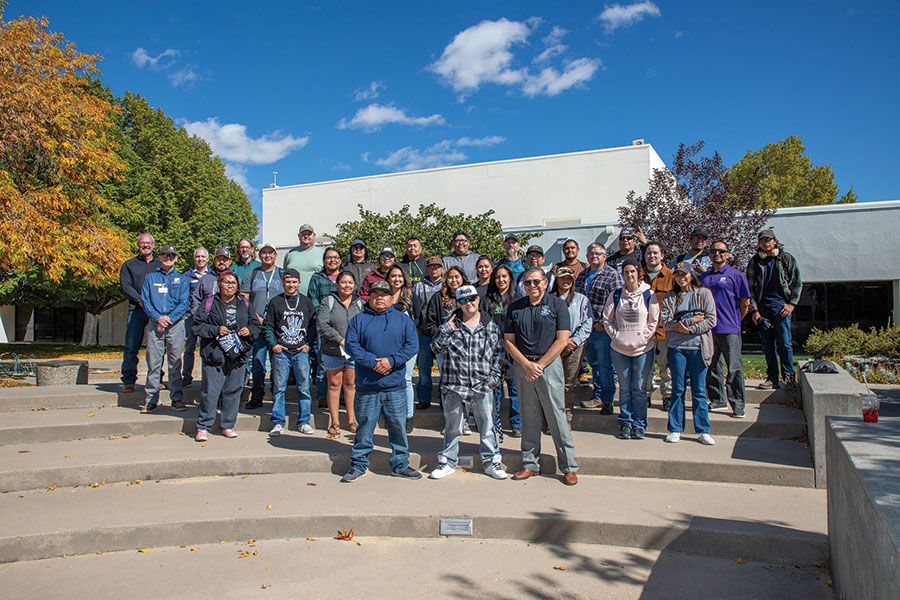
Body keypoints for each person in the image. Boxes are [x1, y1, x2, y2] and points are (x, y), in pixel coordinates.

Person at [505, 268, 578, 485]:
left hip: (549, 365)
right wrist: (527, 365)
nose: (532, 286)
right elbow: (509, 341)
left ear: (546, 283)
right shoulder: (515, 307)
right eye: (527, 283)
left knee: (556, 416)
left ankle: (568, 466)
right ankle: (530, 464)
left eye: (536, 282)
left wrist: (540, 365)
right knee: (529, 417)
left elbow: (563, 340)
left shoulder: (557, 305)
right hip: (523, 366)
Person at [341, 280, 420, 482]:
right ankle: (358, 465)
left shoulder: (403, 320)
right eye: (375, 293)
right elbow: (352, 345)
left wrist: (391, 361)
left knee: (398, 427)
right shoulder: (359, 320)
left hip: (395, 386)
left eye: (384, 294)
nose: (379, 297)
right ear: (369, 297)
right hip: (368, 385)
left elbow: (412, 346)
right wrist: (372, 363)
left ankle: (400, 464)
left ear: (391, 297)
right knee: (365, 427)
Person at [429, 285, 508, 480]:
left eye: (472, 298)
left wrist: (493, 380)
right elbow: (435, 349)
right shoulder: (450, 325)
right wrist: (447, 329)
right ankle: (447, 461)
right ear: (457, 303)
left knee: (487, 427)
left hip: (482, 385)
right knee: (453, 427)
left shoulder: (491, 326)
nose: (468, 303)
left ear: (478, 299)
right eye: (463, 300)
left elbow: (499, 354)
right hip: (455, 386)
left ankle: (491, 461)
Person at [192, 270, 259, 441]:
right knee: (211, 392)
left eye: (233, 283)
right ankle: (203, 425)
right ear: (219, 284)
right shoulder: (209, 303)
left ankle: (227, 424)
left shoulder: (244, 303)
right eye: (227, 282)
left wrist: (249, 330)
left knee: (233, 391)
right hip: (214, 355)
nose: (230, 286)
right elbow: (197, 326)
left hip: (237, 355)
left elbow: (256, 326)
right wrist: (215, 330)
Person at [660, 263, 717, 445]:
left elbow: (711, 320)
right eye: (677, 275)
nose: (681, 278)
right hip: (677, 348)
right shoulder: (671, 297)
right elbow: (667, 322)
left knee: (699, 390)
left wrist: (689, 330)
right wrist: (690, 320)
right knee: (678, 389)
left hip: (698, 348)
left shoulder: (704, 293)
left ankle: (703, 430)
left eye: (684, 274)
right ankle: (675, 428)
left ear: (691, 275)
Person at [602, 258, 660, 440]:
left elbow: (653, 320)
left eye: (632, 271)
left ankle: (639, 424)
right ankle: (625, 422)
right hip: (619, 349)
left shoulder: (649, 294)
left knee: (640, 389)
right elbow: (607, 319)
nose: (629, 275)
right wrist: (617, 336)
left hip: (643, 349)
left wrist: (643, 338)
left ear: (638, 272)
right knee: (625, 388)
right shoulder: (616, 295)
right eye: (626, 272)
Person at [699, 241, 752, 417]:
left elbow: (745, 303)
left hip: (729, 329)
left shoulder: (736, 275)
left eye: (721, 251)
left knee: (734, 368)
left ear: (728, 254)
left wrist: (736, 320)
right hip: (708, 330)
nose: (717, 254)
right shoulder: (703, 278)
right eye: (713, 251)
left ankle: (738, 404)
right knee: (712, 367)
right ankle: (717, 400)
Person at [746, 229, 802, 391]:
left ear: (775, 241)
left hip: (782, 307)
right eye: (762, 240)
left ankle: (789, 378)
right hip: (763, 308)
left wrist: (791, 303)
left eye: (769, 240)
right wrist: (754, 310)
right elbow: (750, 289)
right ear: (759, 243)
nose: (766, 243)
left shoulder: (785, 258)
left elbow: (797, 282)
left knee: (784, 343)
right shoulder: (755, 262)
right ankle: (772, 378)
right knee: (767, 345)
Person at [263, 269, 316, 436]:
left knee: (304, 387)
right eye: (288, 282)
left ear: (299, 283)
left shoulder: (306, 302)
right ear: (283, 282)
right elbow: (268, 326)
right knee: (279, 388)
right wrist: (273, 345)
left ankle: (304, 421)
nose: (291, 285)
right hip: (282, 351)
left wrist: (308, 344)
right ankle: (278, 422)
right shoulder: (276, 302)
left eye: (294, 282)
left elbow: (313, 325)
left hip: (301, 351)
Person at [140, 245, 190, 413]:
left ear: (176, 258)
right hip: (155, 324)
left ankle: (176, 398)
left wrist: (168, 320)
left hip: (175, 325)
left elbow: (184, 303)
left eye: (172, 255)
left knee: (175, 363)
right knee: (153, 362)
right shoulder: (150, 278)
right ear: (159, 257)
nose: (168, 257)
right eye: (165, 255)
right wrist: (158, 318)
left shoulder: (182, 279)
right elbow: (146, 301)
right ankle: (151, 399)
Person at [574, 243, 623, 413]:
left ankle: (607, 400)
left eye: (598, 253)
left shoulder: (612, 275)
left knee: (605, 365)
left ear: (604, 256)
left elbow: (618, 302)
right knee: (594, 365)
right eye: (591, 253)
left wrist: (602, 323)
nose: (594, 256)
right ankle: (597, 395)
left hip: (602, 330)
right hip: (585, 329)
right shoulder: (582, 275)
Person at [317, 271, 364, 436]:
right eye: (343, 282)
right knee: (334, 385)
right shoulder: (328, 301)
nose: (347, 286)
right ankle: (335, 422)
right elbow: (322, 325)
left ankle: (352, 420)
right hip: (333, 351)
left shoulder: (360, 303)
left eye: (350, 282)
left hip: (353, 352)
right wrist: (340, 339)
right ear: (337, 284)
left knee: (351, 385)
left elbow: (365, 325)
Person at [240, 242, 283, 410]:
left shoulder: (281, 274)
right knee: (258, 362)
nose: (267, 256)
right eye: (264, 253)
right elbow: (244, 300)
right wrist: (256, 317)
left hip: (277, 327)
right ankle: (257, 395)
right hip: (257, 325)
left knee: (277, 363)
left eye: (270, 253)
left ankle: (276, 396)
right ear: (259, 255)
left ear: (275, 255)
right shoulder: (252, 275)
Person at [550, 267, 593, 425]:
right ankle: (551, 417)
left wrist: (574, 340)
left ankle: (566, 417)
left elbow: (587, 323)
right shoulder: (549, 299)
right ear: (557, 280)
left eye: (569, 278)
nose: (566, 281)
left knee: (568, 384)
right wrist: (559, 340)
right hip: (553, 347)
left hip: (574, 346)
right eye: (562, 278)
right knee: (553, 383)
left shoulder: (582, 300)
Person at [483, 264, 522, 437]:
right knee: (494, 389)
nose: (501, 280)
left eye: (504, 276)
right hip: (493, 351)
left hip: (513, 350)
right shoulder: (487, 300)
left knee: (514, 389)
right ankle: (491, 421)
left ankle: (516, 423)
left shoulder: (518, 299)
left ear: (510, 278)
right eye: (498, 277)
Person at [119, 233, 161, 393]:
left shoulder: (160, 264)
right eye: (143, 243)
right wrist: (140, 299)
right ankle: (129, 380)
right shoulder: (129, 265)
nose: (146, 246)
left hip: (156, 311)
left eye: (148, 243)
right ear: (138, 245)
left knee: (157, 347)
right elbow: (126, 286)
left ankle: (158, 378)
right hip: (137, 309)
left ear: (153, 245)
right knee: (131, 346)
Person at [307, 247, 344, 409]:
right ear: (324, 261)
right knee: (323, 361)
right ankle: (323, 396)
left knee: (344, 360)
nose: (332, 260)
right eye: (329, 258)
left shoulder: (345, 278)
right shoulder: (317, 278)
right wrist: (325, 321)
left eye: (335, 257)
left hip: (343, 326)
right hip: (323, 327)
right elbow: (313, 301)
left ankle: (341, 396)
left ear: (340, 260)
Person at [642, 241, 675, 409]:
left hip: (664, 330)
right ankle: (645, 394)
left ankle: (667, 395)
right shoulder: (639, 276)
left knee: (665, 366)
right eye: (648, 253)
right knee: (645, 366)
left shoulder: (671, 276)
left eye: (655, 253)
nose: (652, 256)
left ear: (662, 256)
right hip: (644, 331)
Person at [386, 264, 418, 434]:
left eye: (399, 276)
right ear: (388, 279)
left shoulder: (411, 297)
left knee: (405, 379)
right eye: (393, 276)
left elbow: (418, 319)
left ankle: (408, 416)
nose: (396, 279)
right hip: (387, 345)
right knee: (390, 379)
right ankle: (392, 414)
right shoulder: (383, 296)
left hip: (407, 345)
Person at [412, 256, 444, 409]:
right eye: (431, 266)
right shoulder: (418, 286)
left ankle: (445, 399)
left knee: (446, 369)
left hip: (443, 333)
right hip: (424, 332)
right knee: (424, 368)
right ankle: (424, 398)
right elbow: (413, 308)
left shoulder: (446, 285)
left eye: (437, 266)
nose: (434, 269)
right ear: (426, 268)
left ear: (442, 268)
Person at [182, 247, 211, 386]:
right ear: (194, 259)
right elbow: (185, 297)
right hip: (192, 317)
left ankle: (207, 377)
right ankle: (187, 376)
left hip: (209, 319)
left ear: (208, 259)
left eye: (203, 257)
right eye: (198, 257)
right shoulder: (186, 276)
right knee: (189, 347)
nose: (200, 259)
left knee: (207, 348)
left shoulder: (213, 275)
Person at [282, 223, 324, 296]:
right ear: (299, 236)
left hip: (315, 299)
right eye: (303, 234)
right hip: (292, 299)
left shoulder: (322, 254)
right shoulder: (290, 254)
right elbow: (285, 275)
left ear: (314, 236)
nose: (306, 236)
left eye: (309, 234)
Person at [192, 248, 232, 319]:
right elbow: (196, 301)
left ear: (230, 261)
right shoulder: (205, 279)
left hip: (229, 320)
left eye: (224, 259)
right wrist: (199, 318)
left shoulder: (235, 280)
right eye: (218, 259)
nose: (221, 262)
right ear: (214, 261)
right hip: (208, 322)